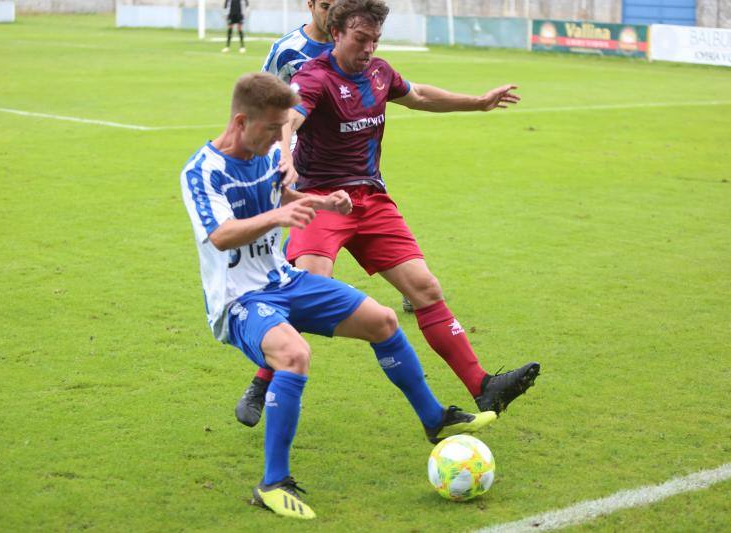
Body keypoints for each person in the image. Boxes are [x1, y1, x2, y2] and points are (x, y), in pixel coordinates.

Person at [180, 72, 496, 519]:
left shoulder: (267, 153)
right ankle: (272, 483)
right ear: (239, 121)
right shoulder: (201, 171)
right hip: (240, 300)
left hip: (285, 280)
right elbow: (221, 235)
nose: (280, 137)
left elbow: (280, 191)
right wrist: (280, 215)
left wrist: (321, 202)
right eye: (272, 128)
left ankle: (433, 419)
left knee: (384, 321)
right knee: (294, 354)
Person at [234, 0, 541, 429]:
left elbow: (418, 96)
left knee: (425, 288)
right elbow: (290, 116)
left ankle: (482, 383)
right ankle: (263, 380)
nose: (369, 48)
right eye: (361, 39)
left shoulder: (380, 72)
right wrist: (285, 155)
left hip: (372, 201)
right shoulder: (315, 75)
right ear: (337, 32)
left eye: (375, 40)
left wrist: (478, 102)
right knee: (311, 285)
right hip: (322, 199)